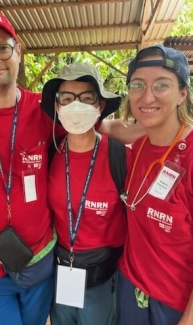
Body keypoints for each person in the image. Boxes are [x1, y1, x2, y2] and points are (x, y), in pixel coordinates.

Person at [0, 11, 143, 325]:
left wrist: (140, 130)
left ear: (18, 51)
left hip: (42, 261)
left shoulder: (45, 111)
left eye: (2, 48)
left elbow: (85, 125)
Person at [41, 62, 130, 325]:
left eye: (87, 98)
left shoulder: (120, 157)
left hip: (103, 278)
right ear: (57, 106)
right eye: (66, 98)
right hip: (60, 275)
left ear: (100, 106)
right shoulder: (50, 154)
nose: (75, 105)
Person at [119, 44, 193, 325]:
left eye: (161, 84)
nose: (147, 96)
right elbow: (113, 128)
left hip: (175, 304)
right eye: (138, 85)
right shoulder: (137, 148)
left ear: (182, 94)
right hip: (132, 287)